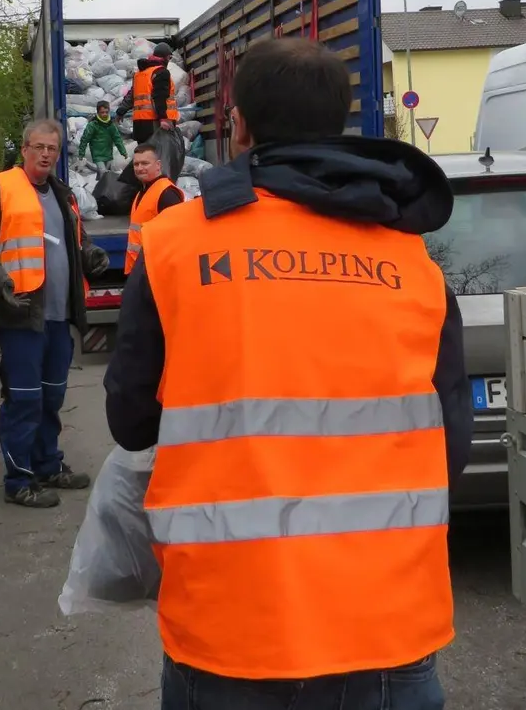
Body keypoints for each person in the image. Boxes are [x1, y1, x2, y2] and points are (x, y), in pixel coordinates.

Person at [104, 37, 472, 709]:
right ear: (341, 122)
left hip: (229, 627)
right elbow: (451, 446)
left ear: (238, 124)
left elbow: (130, 423)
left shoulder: (175, 247)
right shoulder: (414, 265)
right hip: (385, 627)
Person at [0, 119, 111, 509]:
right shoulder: (0, 188)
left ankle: (48, 464)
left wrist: (90, 253)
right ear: (25, 148)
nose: (46, 153)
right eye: (39, 147)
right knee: (24, 400)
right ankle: (18, 480)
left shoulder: (62, 194)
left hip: (58, 316)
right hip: (21, 316)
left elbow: (75, 240)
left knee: (51, 398)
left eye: (53, 148)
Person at [124, 144, 185, 275]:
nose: (140, 168)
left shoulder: (166, 194)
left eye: (145, 163)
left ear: (158, 165)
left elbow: (177, 240)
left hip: (155, 272)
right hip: (141, 271)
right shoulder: (144, 191)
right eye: (136, 164)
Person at [118, 42, 177, 145]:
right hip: (155, 123)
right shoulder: (161, 72)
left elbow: (131, 96)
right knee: (157, 156)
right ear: (167, 57)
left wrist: (120, 111)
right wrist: (163, 118)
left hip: (139, 124)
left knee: (144, 154)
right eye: (170, 58)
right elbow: (159, 97)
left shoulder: (139, 74)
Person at [77, 101, 127, 166]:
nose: (104, 114)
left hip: (108, 155)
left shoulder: (111, 125)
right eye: (102, 112)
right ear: (98, 112)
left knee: (105, 174)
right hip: (97, 155)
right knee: (102, 171)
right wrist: (81, 154)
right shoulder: (93, 125)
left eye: (106, 112)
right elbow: (84, 139)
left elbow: (117, 139)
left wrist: (123, 152)